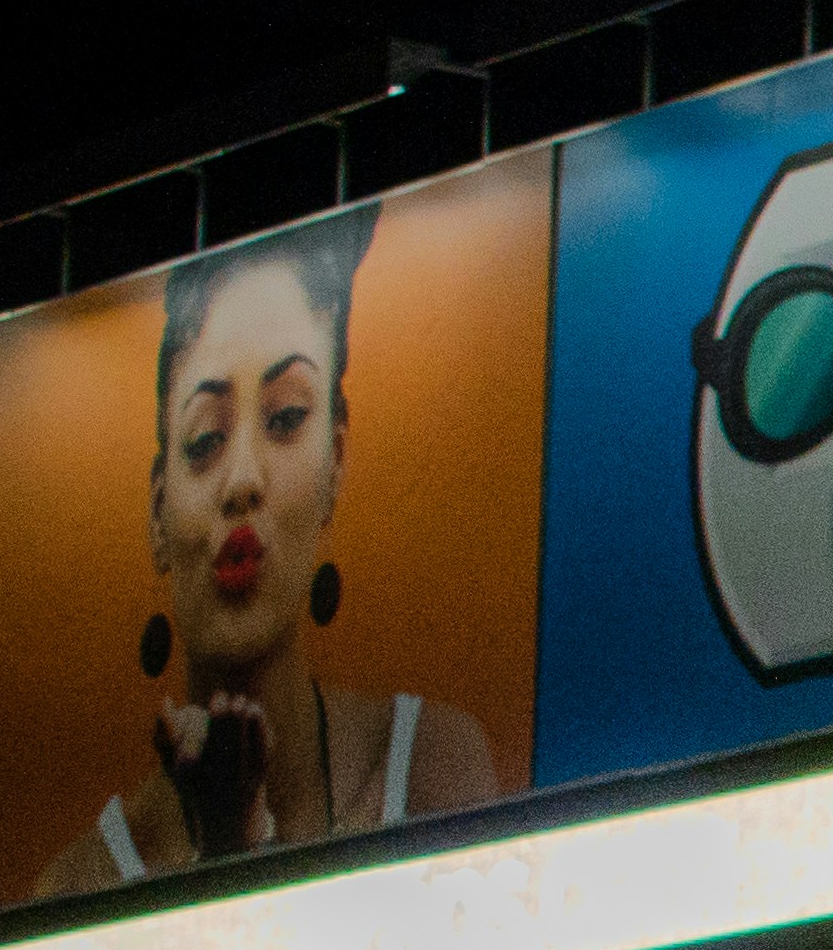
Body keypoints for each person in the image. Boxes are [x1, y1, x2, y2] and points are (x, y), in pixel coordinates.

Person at [33, 209, 510, 898]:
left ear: (335, 462)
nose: (243, 481)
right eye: (204, 440)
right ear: (158, 510)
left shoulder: (429, 763)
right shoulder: (83, 883)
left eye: (286, 418)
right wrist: (227, 842)